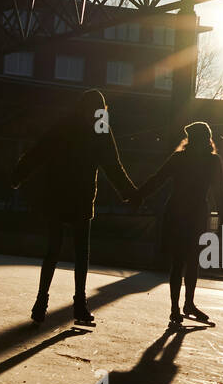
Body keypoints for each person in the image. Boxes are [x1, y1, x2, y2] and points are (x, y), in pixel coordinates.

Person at [11, 89, 137, 325]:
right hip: (81, 197)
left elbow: (40, 150)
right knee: (81, 254)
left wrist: (19, 173)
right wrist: (130, 193)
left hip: (58, 194)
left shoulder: (65, 125)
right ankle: (79, 306)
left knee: (53, 252)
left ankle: (41, 303)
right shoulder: (100, 129)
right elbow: (113, 165)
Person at [130, 121, 223, 325]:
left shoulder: (179, 158)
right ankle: (188, 304)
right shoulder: (213, 162)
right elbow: (220, 193)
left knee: (178, 262)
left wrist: (138, 195)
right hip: (197, 214)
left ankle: (176, 308)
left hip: (176, 212)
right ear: (208, 139)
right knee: (192, 261)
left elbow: (158, 179)